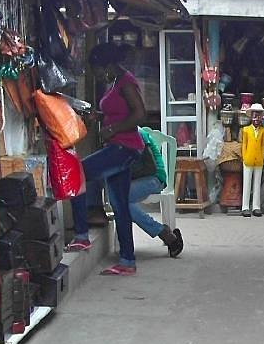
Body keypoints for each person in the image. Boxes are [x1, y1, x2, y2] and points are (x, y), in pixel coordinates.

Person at [65, 43, 146, 276]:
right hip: (121, 147)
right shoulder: (117, 83)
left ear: (107, 65)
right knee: (120, 206)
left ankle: (81, 235)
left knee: (78, 172)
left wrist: (114, 129)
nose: (98, 76)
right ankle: (127, 261)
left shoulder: (126, 82)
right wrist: (99, 117)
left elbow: (139, 113)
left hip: (124, 147)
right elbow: (119, 113)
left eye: (98, 71)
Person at [129, 126, 184, 256]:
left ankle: (162, 232)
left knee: (120, 199)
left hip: (154, 178)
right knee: (120, 200)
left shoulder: (138, 134)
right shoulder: (123, 134)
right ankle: (163, 233)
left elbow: (150, 167)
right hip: (140, 179)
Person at [241, 103, 264, 217]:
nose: (256, 119)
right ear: (251, 117)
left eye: (259, 116)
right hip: (248, 159)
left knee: (257, 184)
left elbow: (263, 146)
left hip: (258, 160)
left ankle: (256, 206)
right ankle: (245, 207)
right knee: (247, 184)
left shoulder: (263, 131)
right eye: (255, 116)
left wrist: (262, 157)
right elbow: (244, 145)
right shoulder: (246, 130)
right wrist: (245, 157)